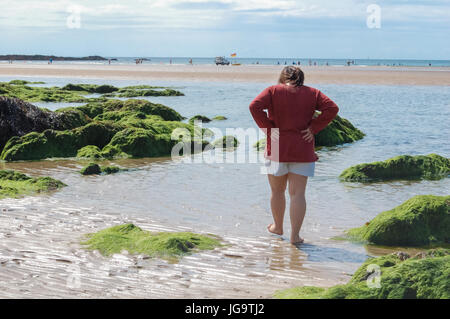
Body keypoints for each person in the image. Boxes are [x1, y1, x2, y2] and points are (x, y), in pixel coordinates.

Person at [249, 66, 339, 244]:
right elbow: (332, 108)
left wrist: (268, 129)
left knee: (277, 191)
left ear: (281, 78)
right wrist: (313, 128)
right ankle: (295, 236)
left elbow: (254, 106)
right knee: (298, 194)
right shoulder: (312, 93)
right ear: (302, 79)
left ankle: (278, 227)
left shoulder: (273, 91)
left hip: (276, 146)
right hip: (302, 148)